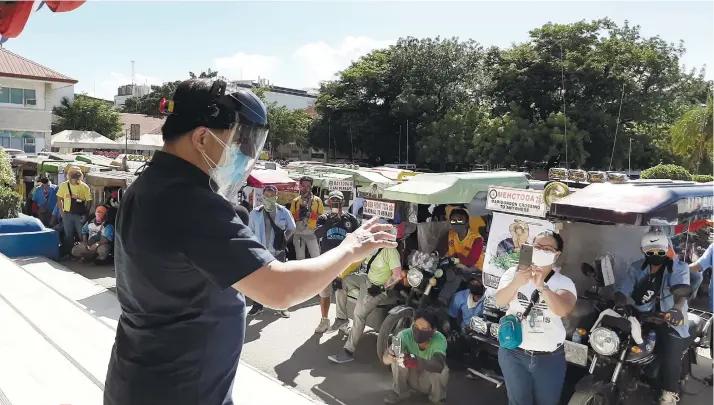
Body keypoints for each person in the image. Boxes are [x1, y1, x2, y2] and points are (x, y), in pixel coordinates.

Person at [103, 79, 396, 405]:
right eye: (239, 143)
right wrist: (349, 249)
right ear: (201, 137)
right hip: (178, 390)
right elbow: (279, 290)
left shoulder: (147, 184)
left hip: (146, 379)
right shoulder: (189, 201)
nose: (245, 156)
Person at [494, 230, 576, 405]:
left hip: (549, 358)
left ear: (557, 254)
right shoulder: (512, 273)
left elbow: (562, 310)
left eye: (547, 249)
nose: (541, 251)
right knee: (518, 401)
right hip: (514, 353)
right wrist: (516, 282)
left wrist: (543, 287)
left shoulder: (563, 282)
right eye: (538, 247)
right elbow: (500, 300)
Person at [614, 230, 690, 405]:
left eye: (660, 252)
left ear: (666, 250)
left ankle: (669, 393)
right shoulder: (636, 267)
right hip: (642, 316)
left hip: (671, 319)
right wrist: (619, 303)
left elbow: (681, 293)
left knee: (670, 353)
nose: (656, 255)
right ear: (643, 251)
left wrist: (677, 309)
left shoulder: (678, 267)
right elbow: (623, 289)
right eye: (651, 252)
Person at [328, 225, 403, 363]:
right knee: (342, 283)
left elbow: (397, 275)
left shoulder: (390, 251)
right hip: (366, 279)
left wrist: (381, 287)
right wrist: (339, 275)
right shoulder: (373, 247)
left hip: (377, 288)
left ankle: (348, 351)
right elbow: (357, 260)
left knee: (359, 314)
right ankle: (341, 318)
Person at [313, 190, 360, 333]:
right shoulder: (324, 217)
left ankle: (342, 321)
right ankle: (324, 320)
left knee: (342, 291)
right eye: (333, 201)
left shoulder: (350, 219)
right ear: (328, 203)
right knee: (324, 292)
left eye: (338, 202)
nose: (335, 204)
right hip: (327, 260)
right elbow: (317, 234)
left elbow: (358, 238)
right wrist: (329, 222)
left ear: (342, 203)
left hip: (344, 261)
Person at [247, 185, 296, 318]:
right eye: (266, 195)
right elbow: (250, 231)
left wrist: (284, 239)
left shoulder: (283, 211)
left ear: (276, 197)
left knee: (280, 280)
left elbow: (292, 227)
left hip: (278, 252)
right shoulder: (255, 213)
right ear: (262, 196)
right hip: (260, 252)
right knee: (258, 280)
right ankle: (257, 306)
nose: (269, 198)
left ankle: (282, 307)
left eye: (271, 195)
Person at [382, 309, 449, 405]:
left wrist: (415, 360)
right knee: (398, 358)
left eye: (424, 329)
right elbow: (387, 355)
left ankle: (437, 399)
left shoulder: (440, 339)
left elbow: (438, 364)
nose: (418, 331)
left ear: (433, 331)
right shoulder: (404, 334)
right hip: (410, 377)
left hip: (427, 381)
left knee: (443, 369)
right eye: (416, 326)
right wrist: (389, 357)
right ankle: (400, 393)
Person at [56, 165, 92, 257]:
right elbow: (59, 199)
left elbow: (89, 201)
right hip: (67, 214)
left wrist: (85, 214)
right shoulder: (64, 186)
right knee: (68, 235)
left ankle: (82, 254)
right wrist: (62, 212)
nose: (75, 175)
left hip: (79, 215)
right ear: (69, 174)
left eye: (77, 173)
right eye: (73, 173)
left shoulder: (84, 187)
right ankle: (69, 254)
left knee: (82, 234)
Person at [290, 175, 324, 262]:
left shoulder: (317, 200)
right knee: (300, 258)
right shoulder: (296, 201)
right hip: (298, 233)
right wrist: (300, 214)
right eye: (304, 186)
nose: (306, 188)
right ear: (300, 186)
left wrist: (309, 214)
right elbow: (291, 217)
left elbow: (321, 217)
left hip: (311, 233)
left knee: (316, 257)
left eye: (308, 186)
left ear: (311, 187)